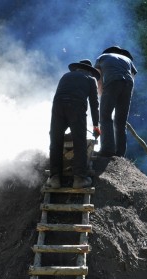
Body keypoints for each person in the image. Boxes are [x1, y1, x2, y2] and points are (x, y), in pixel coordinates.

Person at [46, 59, 101, 189]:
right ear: (89, 71)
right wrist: (96, 126)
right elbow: (94, 104)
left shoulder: (65, 76)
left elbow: (58, 95)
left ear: (77, 68)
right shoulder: (90, 79)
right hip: (76, 107)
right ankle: (79, 179)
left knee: (56, 141)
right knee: (80, 142)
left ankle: (54, 179)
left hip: (58, 107)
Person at [94, 46, 138, 158]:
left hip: (113, 82)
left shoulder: (101, 57)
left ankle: (107, 150)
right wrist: (127, 97)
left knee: (105, 116)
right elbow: (132, 79)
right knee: (121, 120)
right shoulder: (128, 60)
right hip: (128, 86)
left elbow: (98, 80)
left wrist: (102, 96)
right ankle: (120, 153)